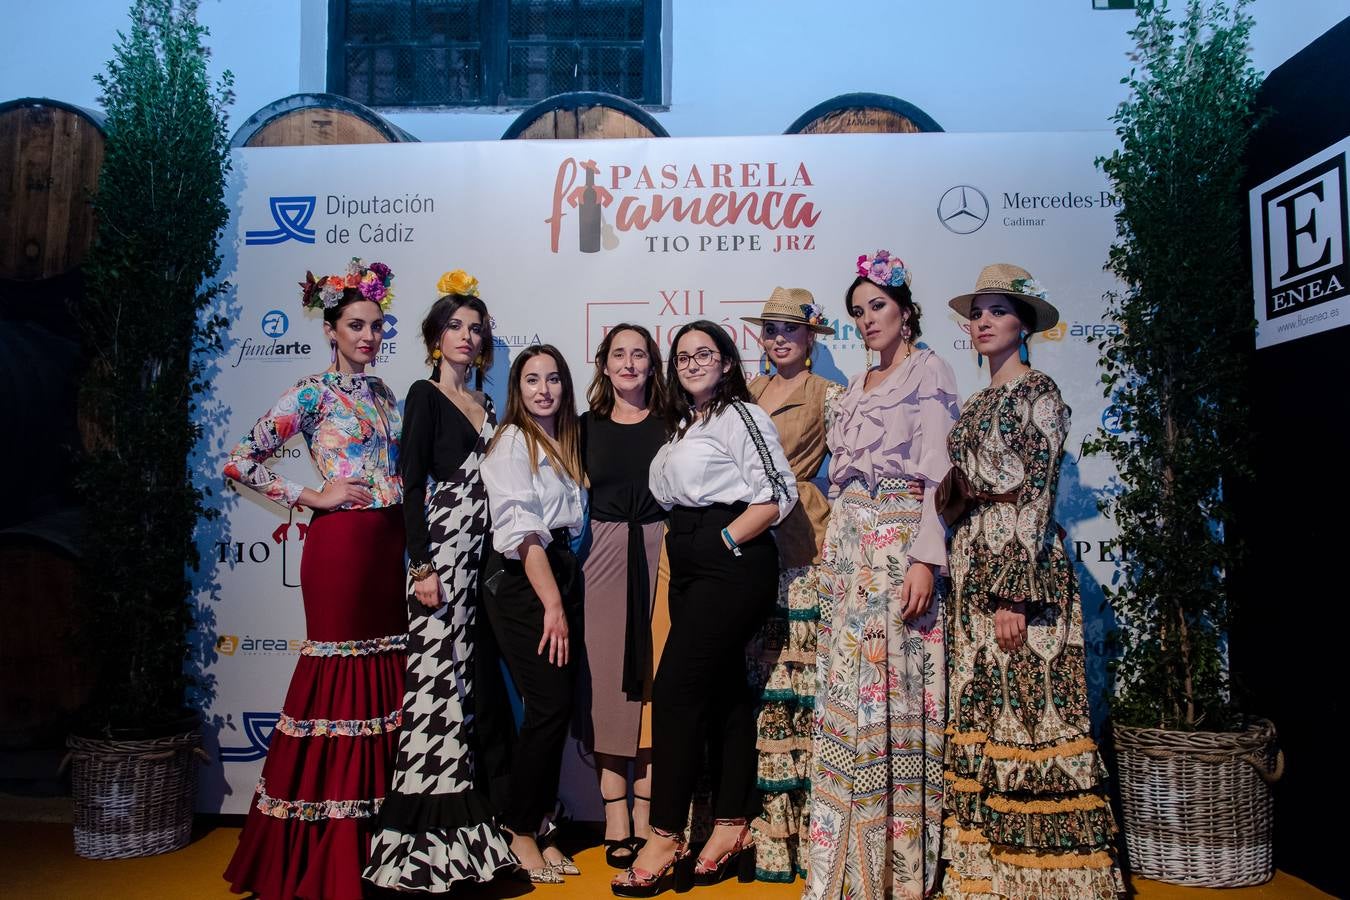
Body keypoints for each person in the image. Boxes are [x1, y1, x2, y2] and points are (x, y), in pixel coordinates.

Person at [222, 259, 406, 900]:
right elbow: (239, 461)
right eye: (356, 325)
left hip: (391, 548)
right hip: (342, 550)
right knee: (337, 685)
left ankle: (380, 843)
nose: (368, 336)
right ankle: (320, 852)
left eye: (377, 326)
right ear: (331, 329)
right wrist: (311, 494)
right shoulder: (310, 395)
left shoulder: (386, 395)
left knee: (386, 685)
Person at [940, 264, 1123, 899]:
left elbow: (1038, 495)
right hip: (972, 568)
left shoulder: (1037, 391)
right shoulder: (979, 398)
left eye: (996, 310)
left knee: (1030, 719)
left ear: (1024, 324)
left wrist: (1014, 592)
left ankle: (1048, 884)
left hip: (1018, 574)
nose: (982, 321)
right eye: (977, 312)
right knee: (988, 717)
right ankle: (987, 876)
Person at [613, 320, 797, 897]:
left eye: (704, 354)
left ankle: (665, 834)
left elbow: (780, 492)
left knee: (674, 692)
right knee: (722, 693)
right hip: (690, 560)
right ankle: (731, 823)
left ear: (725, 362)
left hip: (730, 559)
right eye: (683, 356)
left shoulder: (742, 414)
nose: (692, 363)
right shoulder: (686, 425)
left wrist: (725, 541)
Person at [805, 251, 959, 900]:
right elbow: (839, 477)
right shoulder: (859, 385)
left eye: (877, 306)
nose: (867, 320)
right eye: (858, 311)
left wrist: (927, 555)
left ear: (904, 309)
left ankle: (893, 870)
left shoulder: (930, 372)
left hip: (899, 546)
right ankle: (842, 870)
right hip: (849, 551)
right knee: (846, 699)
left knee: (893, 702)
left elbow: (941, 477)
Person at [363, 270, 516, 891]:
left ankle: (469, 838)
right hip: (440, 557)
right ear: (434, 336)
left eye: (475, 328)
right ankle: (419, 851)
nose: (465, 335)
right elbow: (411, 488)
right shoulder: (423, 397)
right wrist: (421, 567)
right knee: (434, 689)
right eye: (455, 325)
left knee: (465, 690)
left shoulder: (488, 404)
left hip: (482, 556)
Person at [737, 288, 843, 883]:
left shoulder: (830, 396)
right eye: (770, 329)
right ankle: (759, 835)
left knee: (796, 687)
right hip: (747, 544)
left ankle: (805, 840)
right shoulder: (743, 392)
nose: (778, 338)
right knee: (756, 682)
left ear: (812, 338)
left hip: (803, 540)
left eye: (790, 329)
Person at [480, 344, 588, 884]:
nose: (543, 389)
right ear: (516, 390)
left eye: (552, 379)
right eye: (531, 380)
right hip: (524, 580)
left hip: (557, 572)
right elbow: (523, 534)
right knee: (547, 706)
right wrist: (552, 606)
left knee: (555, 708)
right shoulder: (512, 443)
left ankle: (539, 822)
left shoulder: (559, 440)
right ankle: (520, 829)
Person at [579, 324, 671, 869]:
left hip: (665, 553)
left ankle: (646, 808)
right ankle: (614, 809)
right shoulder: (582, 427)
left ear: (652, 364)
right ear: (604, 364)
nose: (629, 363)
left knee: (657, 680)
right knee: (608, 683)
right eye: (619, 354)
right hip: (603, 556)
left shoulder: (674, 424)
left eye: (639, 353)